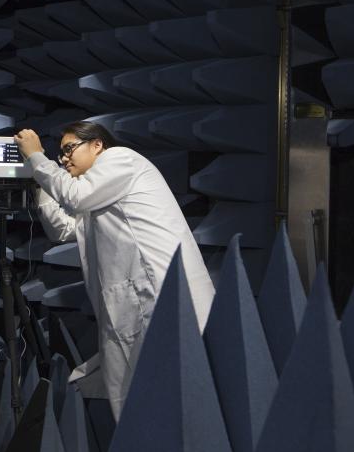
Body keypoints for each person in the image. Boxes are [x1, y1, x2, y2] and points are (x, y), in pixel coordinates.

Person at [14, 121, 215, 420]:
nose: (65, 158)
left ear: (97, 145)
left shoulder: (121, 160)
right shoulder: (100, 193)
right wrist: (39, 182)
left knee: (175, 398)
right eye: (61, 154)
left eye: (69, 149)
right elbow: (63, 228)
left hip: (162, 297)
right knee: (140, 402)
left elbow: (74, 196)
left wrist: (36, 156)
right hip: (130, 306)